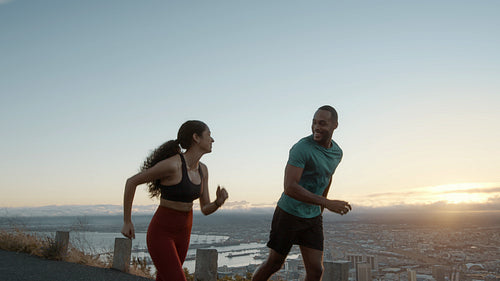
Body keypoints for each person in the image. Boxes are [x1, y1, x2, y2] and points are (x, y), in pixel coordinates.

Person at [252, 105, 351, 281]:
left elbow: (327, 178)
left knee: (316, 271)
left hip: (312, 217)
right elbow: (290, 187)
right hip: (288, 213)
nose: (316, 127)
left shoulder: (337, 153)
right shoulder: (301, 148)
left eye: (322, 123)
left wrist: (320, 208)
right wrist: (326, 203)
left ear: (335, 125)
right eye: (314, 122)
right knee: (274, 264)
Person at [121, 120, 229, 281]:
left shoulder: (203, 170)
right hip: (161, 233)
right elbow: (131, 182)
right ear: (196, 138)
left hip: (184, 233)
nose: (212, 140)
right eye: (209, 135)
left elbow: (205, 208)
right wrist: (127, 221)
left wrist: (218, 202)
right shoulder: (173, 165)